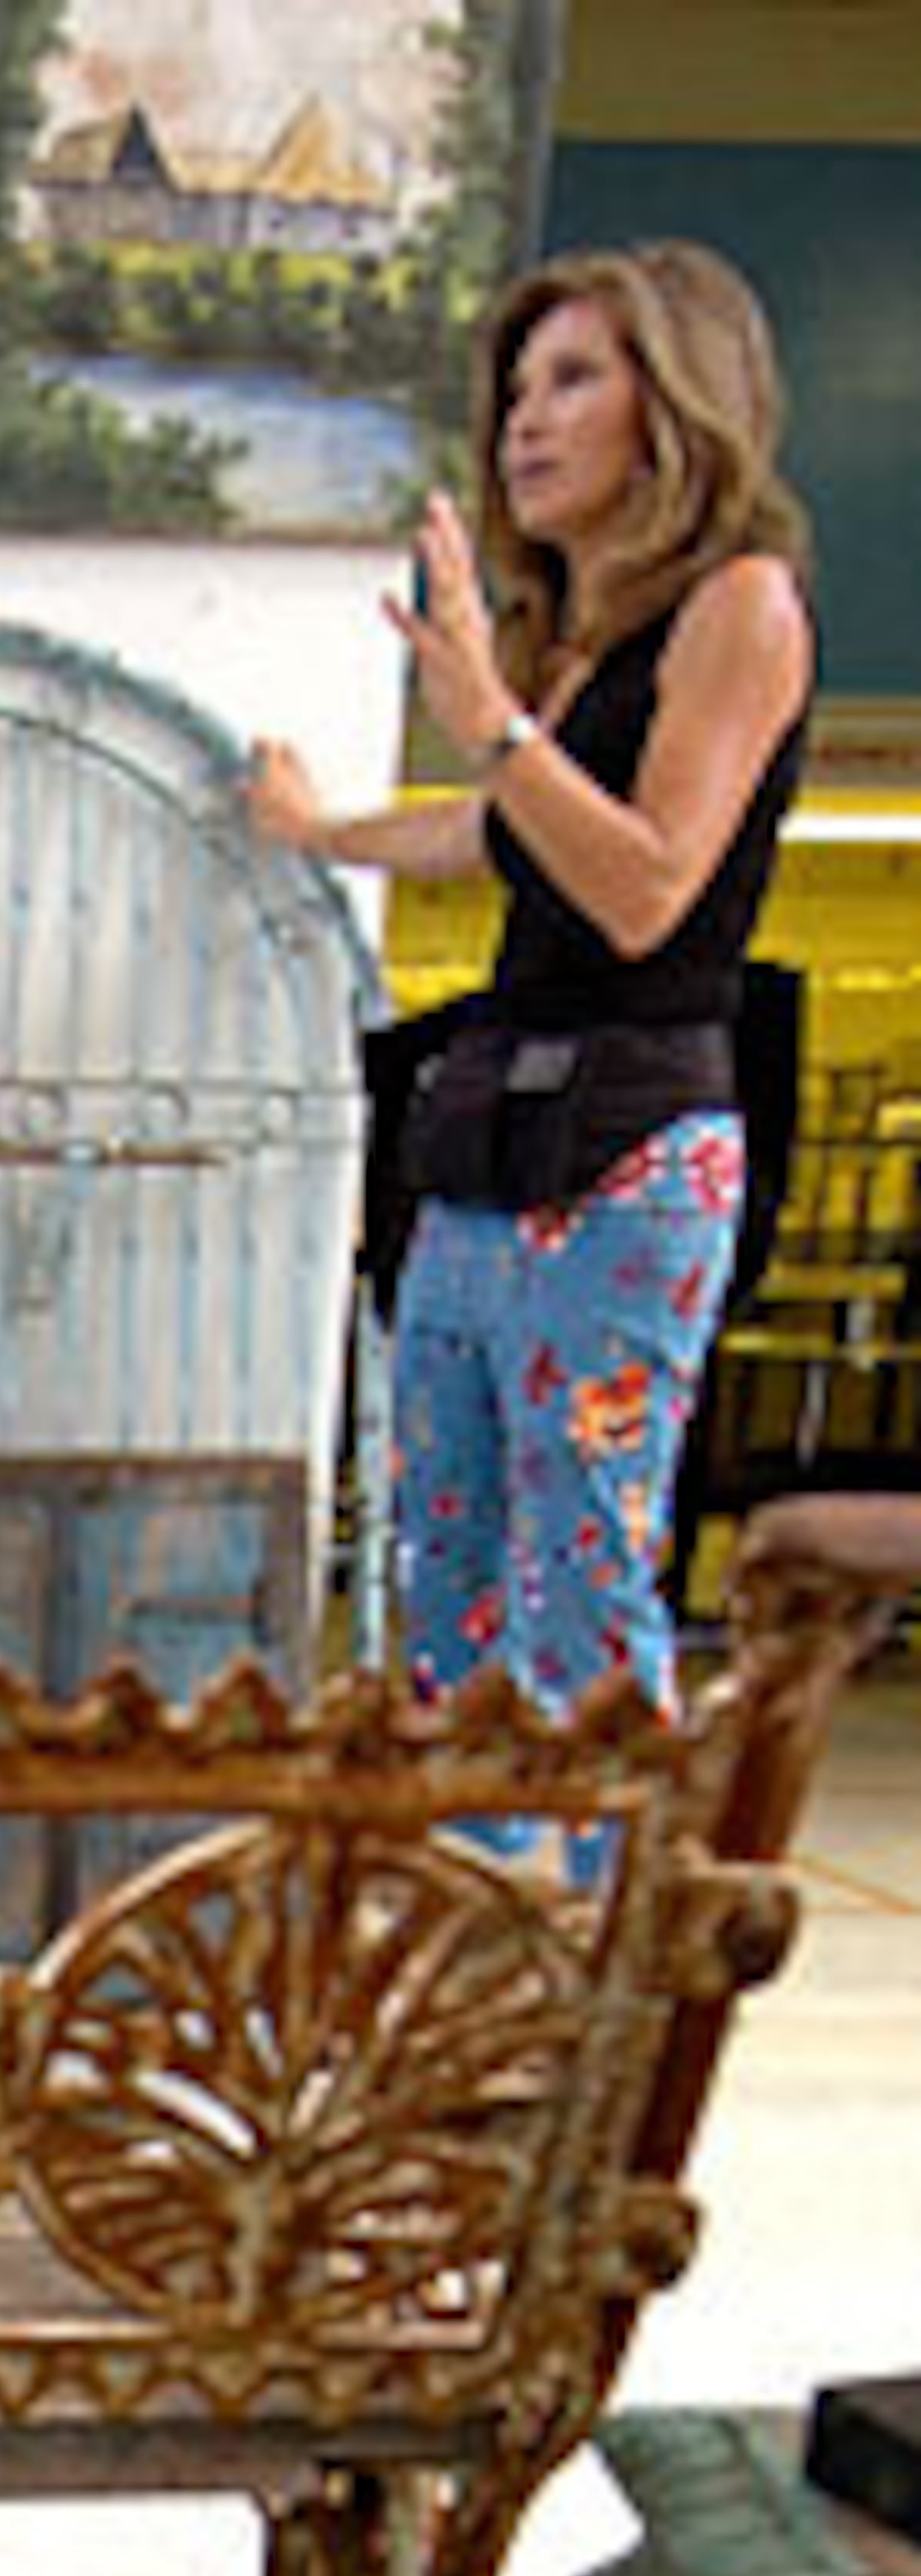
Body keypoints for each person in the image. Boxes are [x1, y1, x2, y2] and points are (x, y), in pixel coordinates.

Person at [249, 241, 813, 1737]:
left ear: (675, 407)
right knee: (444, 1579)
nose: (526, 422)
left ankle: (592, 1920)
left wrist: (490, 717)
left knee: (583, 1578)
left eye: (574, 380)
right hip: (495, 1141)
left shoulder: (742, 607)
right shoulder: (590, 641)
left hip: (628, 1157)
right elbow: (505, 833)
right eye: (517, 389)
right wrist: (326, 836)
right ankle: (476, 1911)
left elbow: (645, 889)